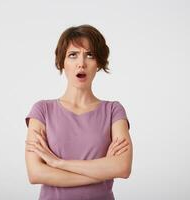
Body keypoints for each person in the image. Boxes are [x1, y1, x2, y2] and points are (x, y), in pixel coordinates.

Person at [24, 24, 133, 200]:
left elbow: (122, 168)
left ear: (98, 63)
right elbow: (35, 173)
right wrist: (102, 170)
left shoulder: (114, 110)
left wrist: (57, 163)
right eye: (73, 55)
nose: (81, 63)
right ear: (62, 62)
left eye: (89, 55)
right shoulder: (42, 110)